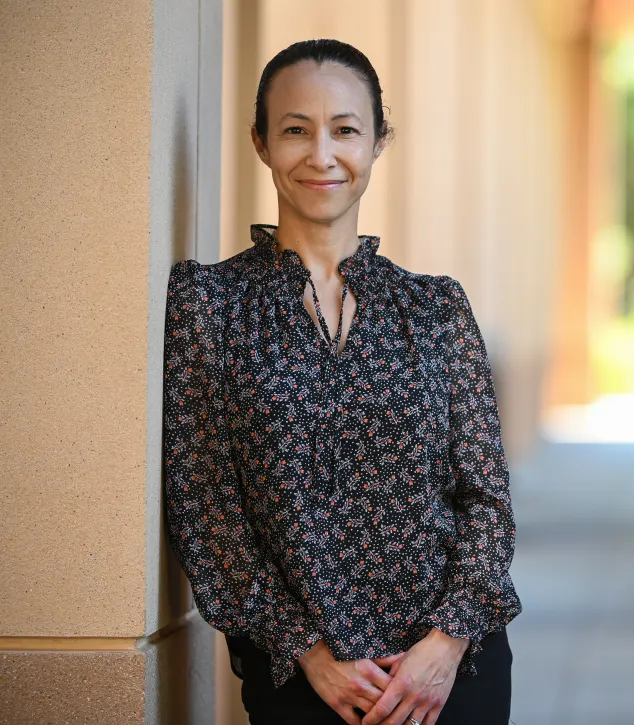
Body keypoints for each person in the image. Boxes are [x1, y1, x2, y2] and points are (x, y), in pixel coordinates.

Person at [162, 39, 521, 725]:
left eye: (346, 130)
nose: (321, 155)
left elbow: (487, 499)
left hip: (454, 676)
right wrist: (310, 652)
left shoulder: (436, 307)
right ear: (261, 142)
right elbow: (205, 506)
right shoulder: (209, 304)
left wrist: (444, 645)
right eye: (296, 129)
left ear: (379, 141)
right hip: (304, 681)